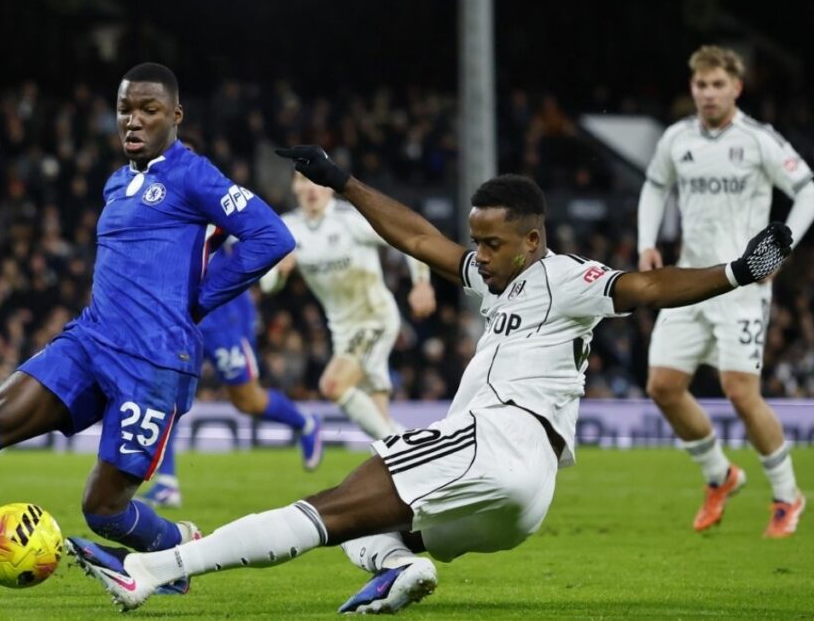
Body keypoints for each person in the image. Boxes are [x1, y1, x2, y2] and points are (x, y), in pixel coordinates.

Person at [63, 147, 793, 614]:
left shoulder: (568, 278)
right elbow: (417, 237)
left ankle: (154, 570)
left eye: (494, 241)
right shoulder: (497, 279)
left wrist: (738, 270)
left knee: (325, 508)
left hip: (498, 439)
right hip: (520, 502)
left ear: (534, 239)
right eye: (476, 239)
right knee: (362, 535)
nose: (480, 253)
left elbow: (649, 288)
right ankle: (404, 570)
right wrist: (345, 180)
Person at [0, 63, 295, 565]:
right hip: (89, 342)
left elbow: (272, 237)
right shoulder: (115, 183)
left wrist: (196, 300)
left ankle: (182, 552)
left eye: (148, 110)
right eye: (125, 109)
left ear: (175, 115)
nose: (133, 120)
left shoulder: (194, 174)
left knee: (103, 511)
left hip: (153, 364)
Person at [637, 45, 814, 537]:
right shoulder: (676, 139)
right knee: (663, 387)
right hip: (689, 280)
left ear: (737, 87)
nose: (708, 94)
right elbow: (654, 187)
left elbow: (809, 189)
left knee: (741, 393)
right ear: (692, 88)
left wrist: (781, 247)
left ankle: (786, 496)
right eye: (701, 85)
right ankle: (720, 475)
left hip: (741, 287)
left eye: (718, 85)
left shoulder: (758, 140)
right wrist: (647, 244)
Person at [259, 172, 437, 440]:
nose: (311, 188)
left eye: (317, 181)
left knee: (332, 385)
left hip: (374, 317)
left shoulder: (350, 219)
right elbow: (267, 285)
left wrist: (421, 282)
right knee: (376, 410)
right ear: (294, 187)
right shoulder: (288, 228)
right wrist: (280, 273)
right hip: (341, 329)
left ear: (330, 188)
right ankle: (397, 450)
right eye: (303, 181)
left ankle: (400, 446)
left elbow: (405, 236)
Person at [141, 279, 323, 509]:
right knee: (167, 397)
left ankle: (305, 423)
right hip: (184, 319)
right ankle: (167, 483)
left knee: (248, 401)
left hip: (223, 322)